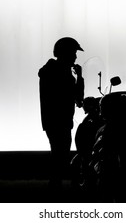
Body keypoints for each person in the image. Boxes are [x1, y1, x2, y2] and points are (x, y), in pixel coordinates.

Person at [38, 37, 84, 190]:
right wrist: (80, 78)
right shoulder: (61, 72)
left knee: (59, 154)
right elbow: (78, 99)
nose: (76, 57)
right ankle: (55, 188)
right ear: (67, 53)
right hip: (60, 120)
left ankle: (55, 186)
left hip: (53, 121)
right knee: (60, 154)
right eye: (74, 53)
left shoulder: (51, 70)